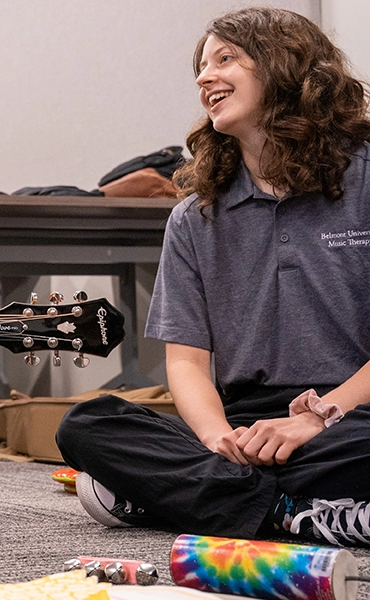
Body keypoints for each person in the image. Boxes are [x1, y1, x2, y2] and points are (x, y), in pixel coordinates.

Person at [58, 7, 370, 547]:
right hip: (244, 423)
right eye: (201, 67)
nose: (204, 78)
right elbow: (185, 362)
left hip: (352, 413)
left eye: (225, 59)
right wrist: (218, 438)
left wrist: (317, 419)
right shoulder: (194, 217)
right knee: (88, 426)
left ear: (287, 65)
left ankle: (190, 497)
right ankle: (292, 515)